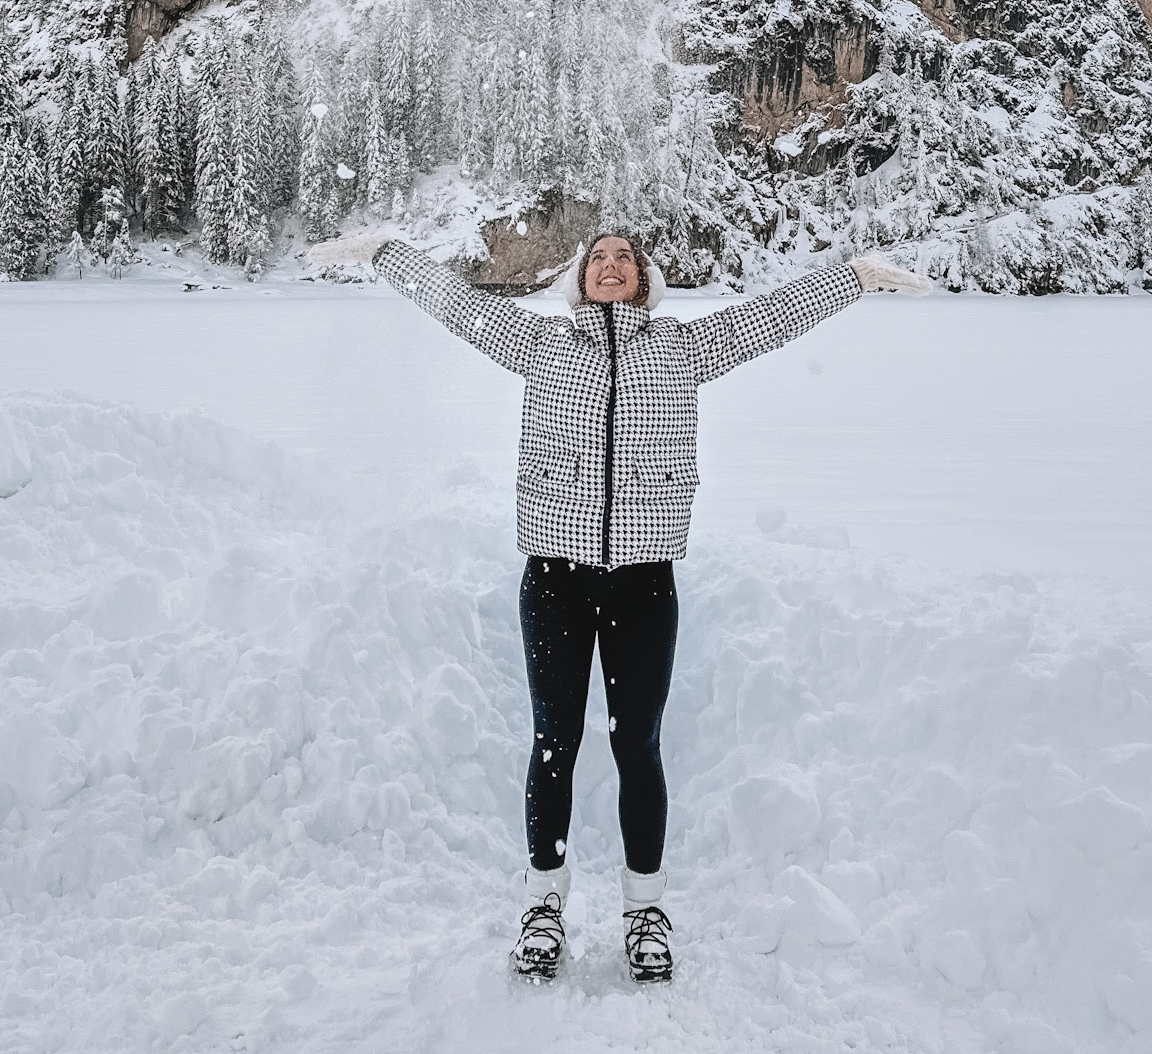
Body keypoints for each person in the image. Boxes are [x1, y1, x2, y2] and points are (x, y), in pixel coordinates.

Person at [311, 229, 930, 983]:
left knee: (639, 748)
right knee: (554, 743)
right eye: (598, 258)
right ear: (580, 278)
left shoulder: (680, 350)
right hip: (554, 579)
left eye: (625, 259)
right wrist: (384, 253)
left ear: (644, 282)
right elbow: (456, 304)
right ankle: (544, 905)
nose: (611, 265)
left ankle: (644, 912)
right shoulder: (541, 344)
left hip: (643, 585)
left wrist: (853, 277)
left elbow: (771, 317)